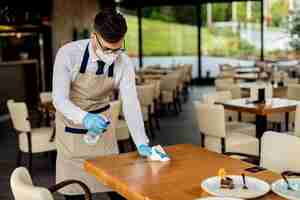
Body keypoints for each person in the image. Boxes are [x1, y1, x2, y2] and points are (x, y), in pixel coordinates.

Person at [52, 7, 153, 200]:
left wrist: (141, 141)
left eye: (118, 48)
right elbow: (59, 99)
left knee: (116, 188)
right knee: (75, 191)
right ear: (94, 37)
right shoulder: (68, 54)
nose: (113, 55)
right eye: (107, 49)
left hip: (103, 130)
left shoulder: (123, 62)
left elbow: (131, 103)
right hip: (72, 129)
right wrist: (85, 117)